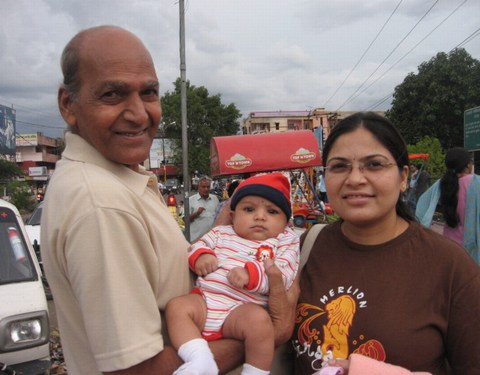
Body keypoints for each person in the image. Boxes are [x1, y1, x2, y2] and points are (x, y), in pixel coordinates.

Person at [40, 25, 297, 375]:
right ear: (68, 105)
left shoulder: (119, 178)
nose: (138, 113)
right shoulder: (102, 204)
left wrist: (216, 243)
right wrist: (264, 333)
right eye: (112, 94)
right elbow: (139, 370)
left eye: (148, 92)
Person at [292, 112, 480, 374]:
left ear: (403, 177)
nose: (355, 179)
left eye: (375, 164)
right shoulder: (305, 249)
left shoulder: (452, 268)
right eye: (340, 166)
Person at [166, 173, 300, 375]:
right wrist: (202, 256)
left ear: (286, 222)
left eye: (272, 212)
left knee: (260, 323)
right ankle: (199, 358)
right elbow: (198, 245)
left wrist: (251, 275)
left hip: (242, 309)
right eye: (249, 209)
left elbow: (284, 272)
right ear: (233, 214)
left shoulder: (284, 241)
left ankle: (255, 372)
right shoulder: (222, 232)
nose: (260, 216)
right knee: (177, 307)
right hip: (206, 300)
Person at [416, 147, 480, 286]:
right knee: (475, 291)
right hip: (474, 248)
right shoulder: (478, 183)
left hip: (449, 246)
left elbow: (422, 206)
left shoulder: (442, 184)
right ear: (468, 165)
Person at [189, 176, 220, 241]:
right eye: (203, 187)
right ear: (198, 188)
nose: (206, 189)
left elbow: (219, 217)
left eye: (208, 187)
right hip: (196, 240)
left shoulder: (215, 199)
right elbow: (185, 220)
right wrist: (196, 213)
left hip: (212, 239)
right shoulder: (190, 200)